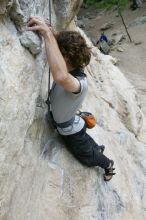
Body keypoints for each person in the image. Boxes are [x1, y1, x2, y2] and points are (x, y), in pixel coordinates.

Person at [27, 16, 115, 181]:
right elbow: (61, 54)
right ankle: (97, 147)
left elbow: (60, 76)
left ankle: (108, 164)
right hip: (74, 124)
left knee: (87, 157)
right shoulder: (72, 67)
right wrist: (52, 33)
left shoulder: (78, 83)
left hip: (70, 131)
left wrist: (47, 35)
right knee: (85, 140)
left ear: (65, 57)